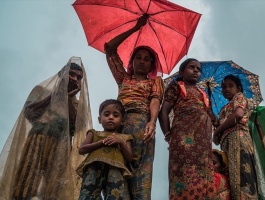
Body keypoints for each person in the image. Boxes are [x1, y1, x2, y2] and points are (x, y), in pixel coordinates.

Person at [0, 57, 92, 200]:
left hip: (62, 145)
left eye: (78, 77)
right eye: (71, 74)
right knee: (26, 183)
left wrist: (68, 99)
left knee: (54, 189)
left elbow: (77, 128)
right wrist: (57, 96)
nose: (74, 79)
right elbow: (29, 112)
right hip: (38, 138)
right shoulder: (41, 91)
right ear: (61, 74)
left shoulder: (78, 104)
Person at [104, 14, 164, 199]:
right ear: (132, 61)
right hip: (118, 124)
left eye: (147, 59)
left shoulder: (155, 82)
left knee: (141, 170)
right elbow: (109, 48)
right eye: (138, 57)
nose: (142, 61)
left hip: (142, 126)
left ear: (152, 65)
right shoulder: (123, 78)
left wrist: (152, 123)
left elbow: (155, 100)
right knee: (115, 166)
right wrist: (135, 27)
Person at [159, 58, 217, 199]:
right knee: (184, 174)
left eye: (198, 69)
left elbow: (214, 119)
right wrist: (168, 134)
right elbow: (163, 112)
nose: (196, 71)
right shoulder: (177, 87)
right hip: (183, 140)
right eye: (192, 67)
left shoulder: (203, 94)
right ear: (181, 72)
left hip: (203, 144)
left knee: (203, 176)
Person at [212, 74, 258, 199]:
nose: (226, 89)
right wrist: (214, 120)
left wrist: (217, 132)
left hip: (238, 137)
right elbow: (221, 125)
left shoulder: (239, 97)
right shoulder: (223, 109)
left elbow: (238, 115)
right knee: (232, 177)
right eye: (224, 87)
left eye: (230, 86)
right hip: (227, 142)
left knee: (242, 175)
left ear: (238, 88)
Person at [76, 99, 133, 199]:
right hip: (93, 169)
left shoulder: (125, 137)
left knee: (114, 196)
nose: (111, 117)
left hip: (115, 171)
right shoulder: (93, 133)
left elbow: (129, 158)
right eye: (106, 115)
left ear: (122, 121)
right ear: (99, 119)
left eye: (116, 115)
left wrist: (120, 142)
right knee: (87, 195)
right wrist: (101, 143)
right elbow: (81, 149)